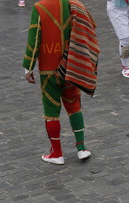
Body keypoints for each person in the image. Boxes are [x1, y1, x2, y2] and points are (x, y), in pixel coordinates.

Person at [23, 0, 100, 165]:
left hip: (48, 69)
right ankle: (81, 148)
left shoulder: (39, 8)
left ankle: (57, 153)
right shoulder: (73, 4)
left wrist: (28, 66)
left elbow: (34, 39)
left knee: (51, 111)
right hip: (70, 65)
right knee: (74, 106)